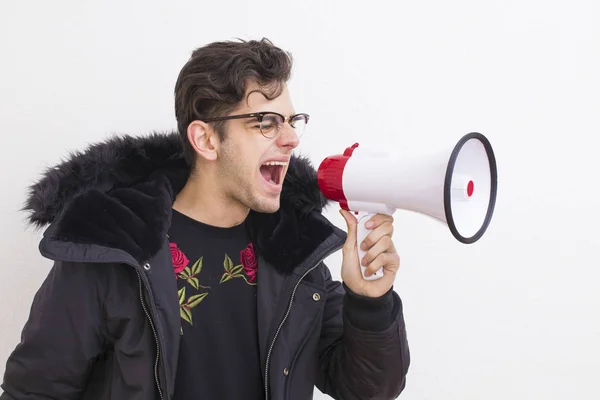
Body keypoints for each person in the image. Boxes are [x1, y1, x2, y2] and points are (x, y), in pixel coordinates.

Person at [0, 38, 410, 400]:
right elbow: (34, 391)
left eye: (291, 121)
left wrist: (370, 302)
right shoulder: (112, 249)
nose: (291, 139)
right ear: (206, 139)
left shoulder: (296, 253)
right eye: (266, 122)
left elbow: (366, 389)